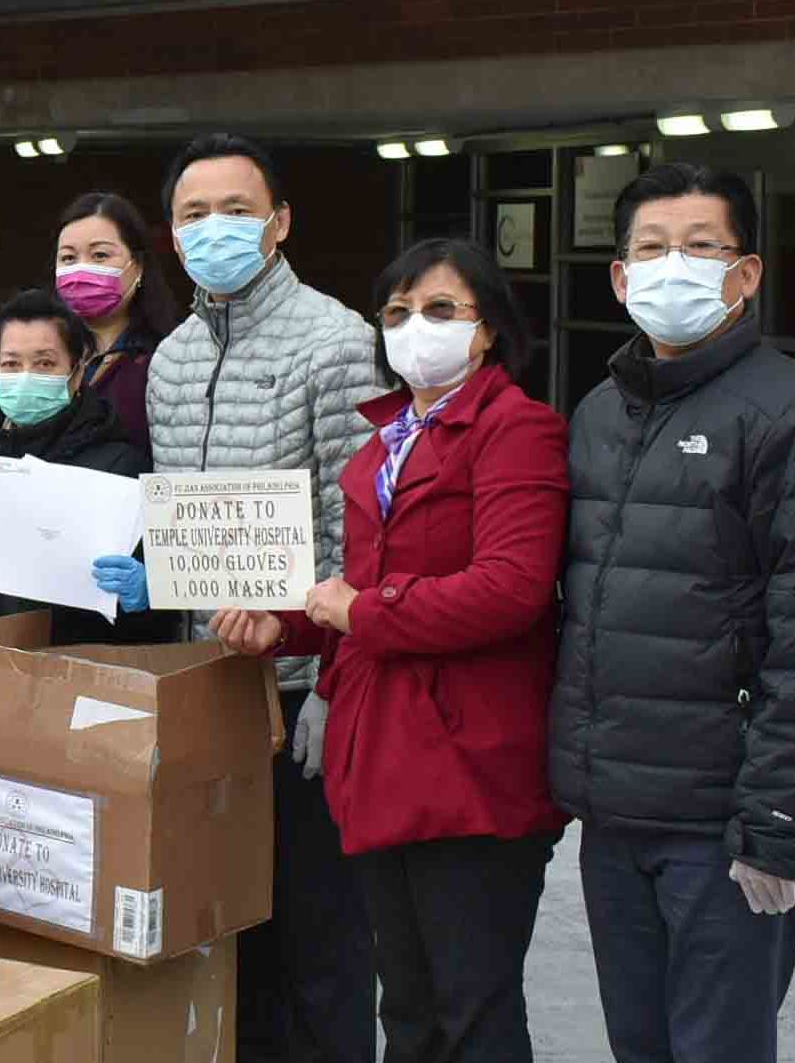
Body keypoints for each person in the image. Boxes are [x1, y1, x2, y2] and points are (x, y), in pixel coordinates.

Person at [549, 163, 795, 1063]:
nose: (672, 268)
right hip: (617, 810)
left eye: (701, 249)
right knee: (641, 1046)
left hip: (726, 824)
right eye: (651, 250)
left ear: (748, 273)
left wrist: (777, 825)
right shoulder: (599, 414)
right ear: (618, 278)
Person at [214, 238, 568, 1063]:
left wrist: (362, 610)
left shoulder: (519, 431)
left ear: (487, 332)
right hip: (381, 759)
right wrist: (288, 623)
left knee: (470, 1007)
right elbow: (360, 590)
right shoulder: (386, 443)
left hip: (471, 764)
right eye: (400, 313)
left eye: (441, 311)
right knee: (407, 1007)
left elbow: (512, 588)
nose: (416, 328)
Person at [138, 133, 381, 1063]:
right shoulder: (172, 358)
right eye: (194, 215)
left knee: (321, 942)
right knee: (231, 932)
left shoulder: (337, 341)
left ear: (279, 223)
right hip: (213, 687)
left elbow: (358, 529)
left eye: (236, 210)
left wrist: (328, 675)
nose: (215, 229)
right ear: (172, 235)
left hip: (300, 689)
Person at [0, 289, 172, 643]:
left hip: (78, 670)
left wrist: (146, 598)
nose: (25, 375)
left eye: (45, 363)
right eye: (10, 364)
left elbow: (152, 628)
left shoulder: (119, 467)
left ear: (78, 370)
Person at [54, 191, 178, 450]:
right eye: (68, 258)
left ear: (138, 265)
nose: (81, 269)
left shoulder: (168, 357)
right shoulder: (42, 353)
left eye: (99, 255)